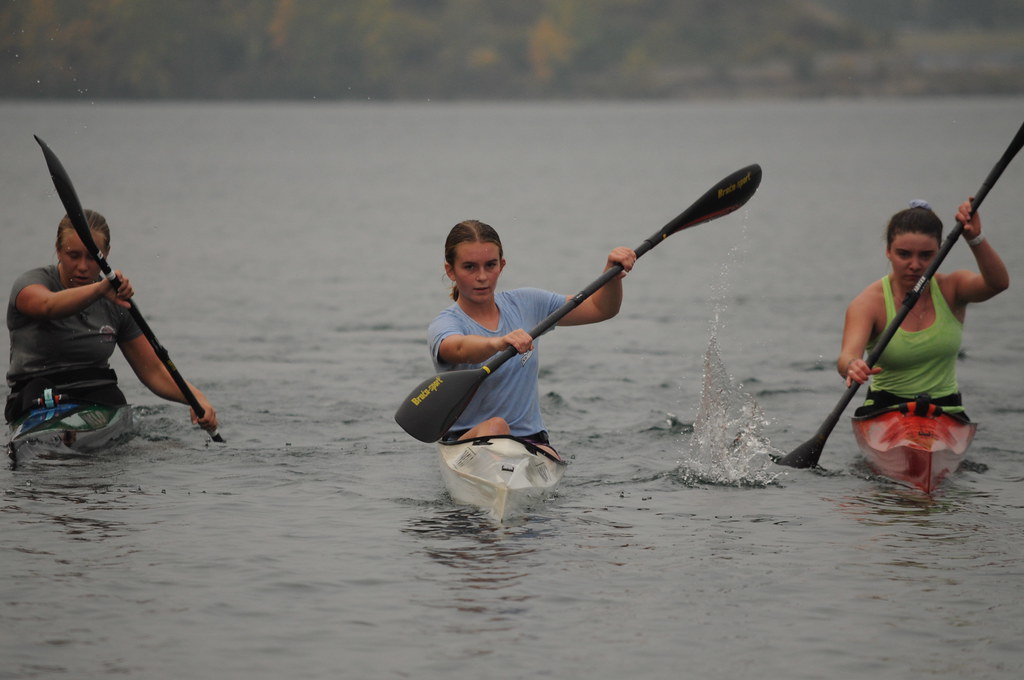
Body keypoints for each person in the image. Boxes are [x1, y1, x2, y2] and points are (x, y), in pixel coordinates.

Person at [428, 220, 636, 455]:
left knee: (553, 456)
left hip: (530, 440)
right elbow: (456, 348)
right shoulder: (446, 323)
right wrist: (496, 343)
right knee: (497, 426)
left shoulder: (527, 304)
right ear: (450, 270)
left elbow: (600, 309)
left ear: (502, 265)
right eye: (469, 267)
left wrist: (612, 275)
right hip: (466, 444)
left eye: (490, 265)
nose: (482, 276)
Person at [5, 209, 219, 433]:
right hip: (38, 395)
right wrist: (100, 289)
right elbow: (48, 306)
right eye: (73, 255)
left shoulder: (117, 303)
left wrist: (198, 399)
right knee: (38, 391)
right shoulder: (31, 284)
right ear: (58, 250)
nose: (83, 266)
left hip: (97, 395)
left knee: (113, 397)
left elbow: (154, 371)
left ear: (105, 254)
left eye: (92, 256)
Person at [839, 198, 1009, 416]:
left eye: (926, 255)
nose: (915, 265)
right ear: (888, 251)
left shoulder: (952, 289)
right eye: (904, 254)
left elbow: (998, 284)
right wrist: (853, 365)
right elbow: (846, 357)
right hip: (885, 411)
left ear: (939, 252)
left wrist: (975, 238)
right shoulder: (868, 303)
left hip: (947, 411)